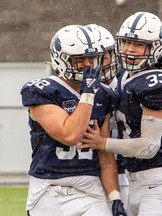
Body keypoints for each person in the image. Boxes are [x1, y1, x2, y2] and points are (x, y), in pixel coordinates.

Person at [78, 12, 162, 215]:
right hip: (134, 180)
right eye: (126, 42)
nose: (130, 49)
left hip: (156, 181)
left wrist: (103, 143)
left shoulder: (156, 83)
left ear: (155, 47)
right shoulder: (125, 75)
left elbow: (149, 146)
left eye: (139, 44)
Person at [20, 24, 126, 216]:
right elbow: (69, 135)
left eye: (92, 58)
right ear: (61, 59)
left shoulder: (104, 95)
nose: (87, 64)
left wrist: (115, 197)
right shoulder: (42, 91)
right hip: (48, 188)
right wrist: (87, 95)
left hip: (89, 188)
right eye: (79, 59)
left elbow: (105, 156)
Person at [86, 23, 129, 211]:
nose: (99, 64)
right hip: (90, 173)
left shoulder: (129, 83)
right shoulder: (75, 87)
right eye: (92, 58)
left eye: (102, 57)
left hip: (127, 171)